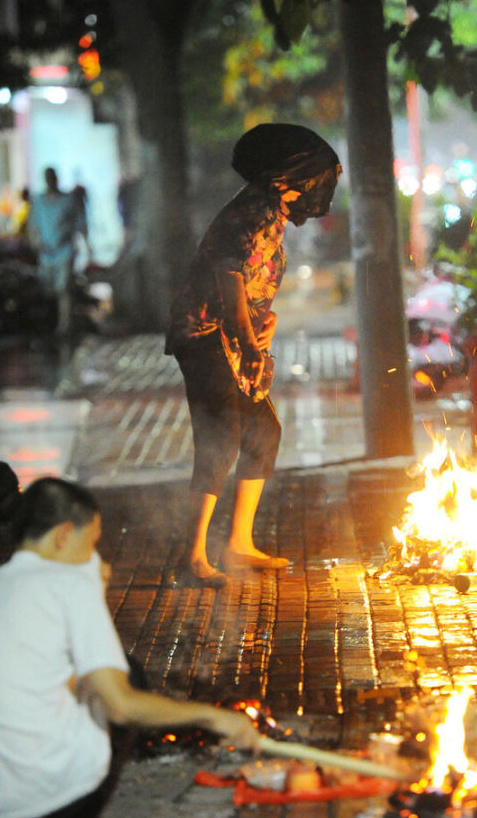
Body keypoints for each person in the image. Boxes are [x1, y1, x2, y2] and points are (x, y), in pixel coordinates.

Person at [0, 477, 260, 818]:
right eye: (91, 542)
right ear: (63, 535)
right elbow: (120, 705)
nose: (95, 557)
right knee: (129, 677)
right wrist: (216, 718)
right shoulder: (68, 583)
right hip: (48, 794)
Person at [165, 123, 341, 587]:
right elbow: (231, 278)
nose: (316, 190)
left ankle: (238, 544)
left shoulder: (272, 213)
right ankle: (192, 558)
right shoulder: (255, 209)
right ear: (289, 177)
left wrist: (264, 329)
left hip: (235, 338)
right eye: (313, 179)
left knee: (262, 430)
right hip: (205, 334)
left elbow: (259, 286)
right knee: (222, 436)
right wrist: (246, 340)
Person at [27, 168, 88, 336]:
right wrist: (35, 241)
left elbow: (80, 223)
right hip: (46, 252)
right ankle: (49, 321)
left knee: (63, 288)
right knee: (48, 288)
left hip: (64, 250)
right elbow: (33, 224)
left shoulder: (68, 201)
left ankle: (65, 325)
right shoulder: (38, 202)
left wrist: (87, 248)